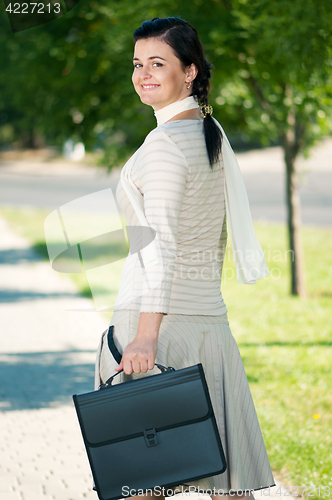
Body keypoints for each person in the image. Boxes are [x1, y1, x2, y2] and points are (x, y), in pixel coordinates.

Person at [95, 16, 275, 500]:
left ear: (190, 71)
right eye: (137, 63)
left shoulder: (165, 145)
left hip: (158, 327)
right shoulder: (208, 132)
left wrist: (145, 338)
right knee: (227, 486)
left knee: (142, 483)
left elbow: (162, 243)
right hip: (208, 327)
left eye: (159, 63)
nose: (143, 74)